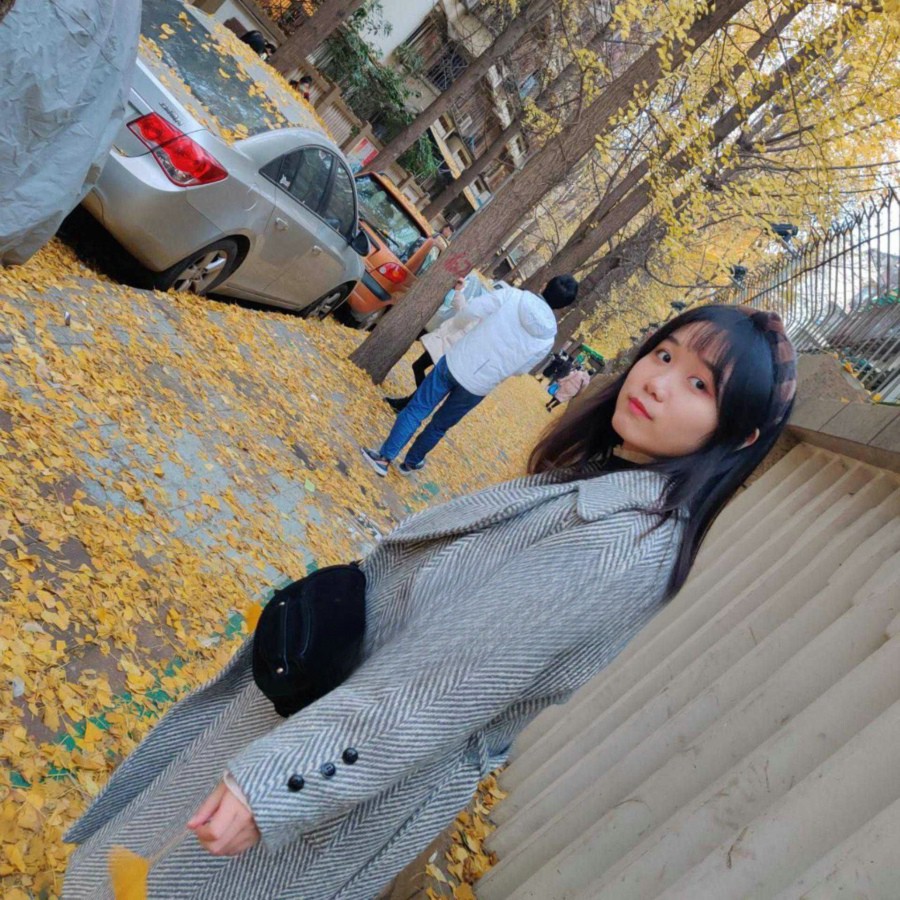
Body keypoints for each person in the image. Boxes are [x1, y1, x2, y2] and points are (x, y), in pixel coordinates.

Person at [62, 305, 796, 900]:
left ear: (739, 434)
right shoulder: (607, 484)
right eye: (664, 354)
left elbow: (444, 688)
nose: (660, 383)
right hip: (327, 707)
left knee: (172, 878)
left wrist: (277, 785)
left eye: (700, 385)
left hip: (342, 760)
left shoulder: (619, 545)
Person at [362, 274, 579, 476]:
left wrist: (458, 326)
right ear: (563, 307)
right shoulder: (547, 339)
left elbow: (472, 310)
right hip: (480, 385)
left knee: (417, 408)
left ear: (545, 286)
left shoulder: (513, 296)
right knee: (439, 426)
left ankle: (384, 458)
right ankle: (411, 463)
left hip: (457, 360)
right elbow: (521, 370)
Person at [384, 277, 475, 413]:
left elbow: (464, 312)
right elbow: (463, 309)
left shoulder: (482, 323)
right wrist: (458, 291)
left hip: (446, 349)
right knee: (419, 368)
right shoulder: (481, 316)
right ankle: (405, 404)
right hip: (443, 346)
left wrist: (458, 292)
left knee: (418, 367)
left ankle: (408, 403)